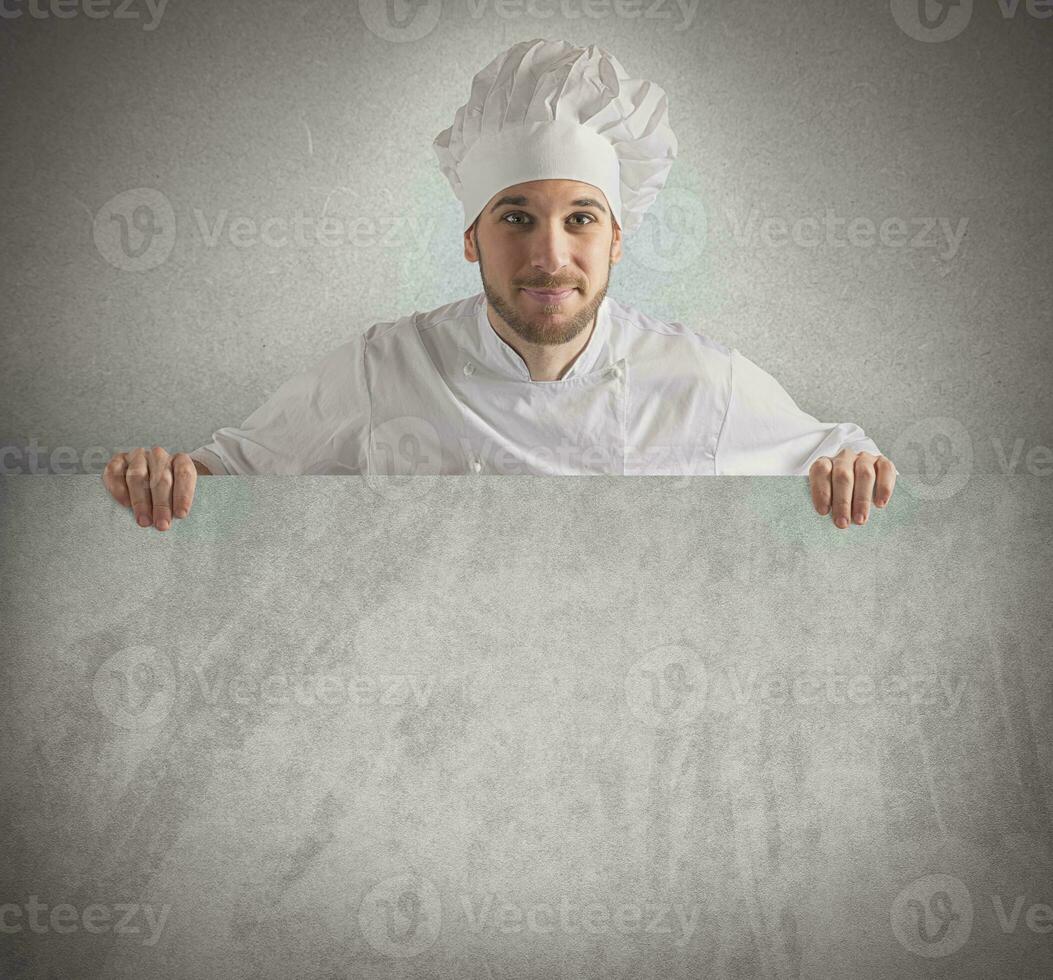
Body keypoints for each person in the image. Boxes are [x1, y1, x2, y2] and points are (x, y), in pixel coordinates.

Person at [104, 38, 896, 532]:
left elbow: (839, 458)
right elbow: (226, 475)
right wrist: (161, 476)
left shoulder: (699, 381)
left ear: (618, 238)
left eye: (580, 218)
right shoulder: (385, 368)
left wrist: (854, 468)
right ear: (469, 238)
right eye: (516, 218)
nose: (550, 255)